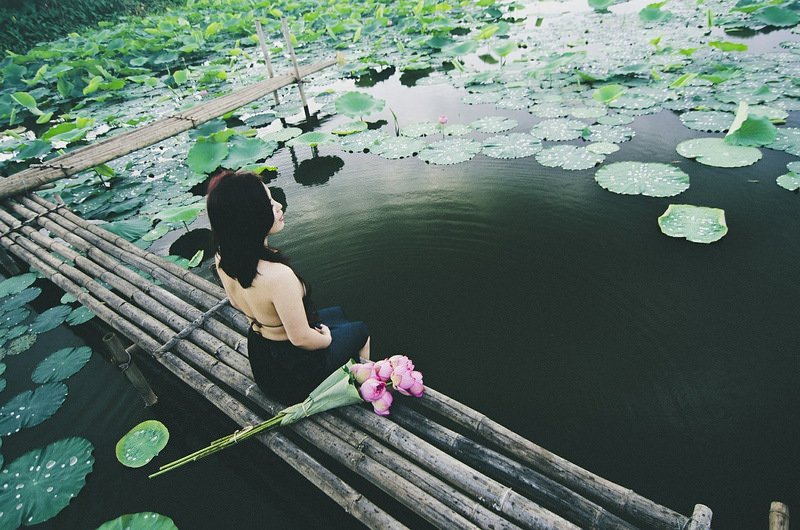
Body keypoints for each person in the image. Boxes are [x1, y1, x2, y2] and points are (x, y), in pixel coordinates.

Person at [206, 170, 370, 403]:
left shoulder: (223, 255)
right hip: (293, 374)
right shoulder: (278, 276)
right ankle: (362, 388)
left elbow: (234, 301)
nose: (279, 206)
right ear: (250, 216)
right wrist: (326, 339)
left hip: (263, 358)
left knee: (338, 314)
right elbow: (301, 339)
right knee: (360, 331)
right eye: (270, 202)